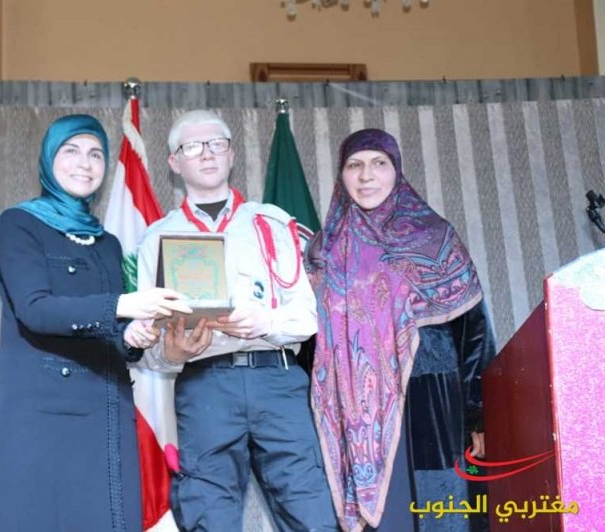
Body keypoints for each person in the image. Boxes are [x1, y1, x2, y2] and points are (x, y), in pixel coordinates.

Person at [0, 114, 189, 532]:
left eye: (96, 154)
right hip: (41, 419)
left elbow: (111, 331)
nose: (85, 163)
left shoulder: (107, 243)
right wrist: (124, 304)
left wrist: (134, 336)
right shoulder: (18, 224)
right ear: (48, 159)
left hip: (107, 414)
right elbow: (36, 310)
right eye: (71, 151)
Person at [135, 110, 338, 531]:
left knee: (311, 510)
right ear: (175, 162)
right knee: (209, 514)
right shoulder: (157, 237)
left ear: (231, 155)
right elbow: (150, 342)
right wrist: (171, 353)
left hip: (276, 379)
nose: (207, 154)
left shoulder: (273, 222)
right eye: (192, 146)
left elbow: (307, 316)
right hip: (205, 385)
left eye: (217, 144)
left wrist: (265, 321)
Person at [307, 128, 496, 532]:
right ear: (341, 176)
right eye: (354, 165)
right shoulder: (324, 251)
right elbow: (311, 343)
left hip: (431, 396)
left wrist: (480, 418)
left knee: (440, 508)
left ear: (397, 171)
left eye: (379, 163)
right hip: (356, 411)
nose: (366, 176)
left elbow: (474, 335)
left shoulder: (434, 237)